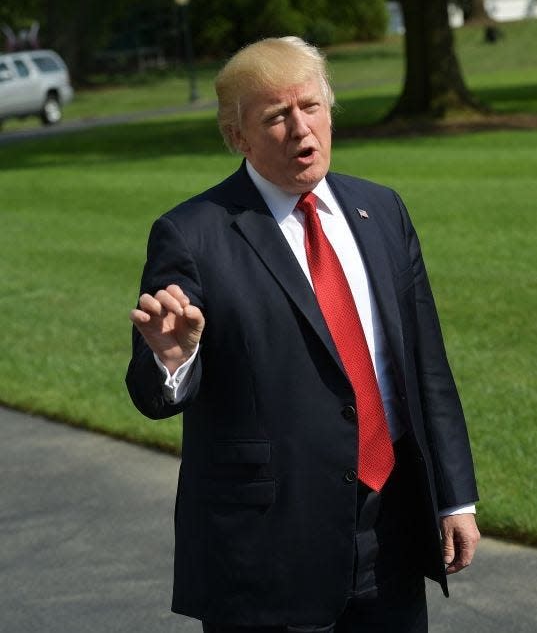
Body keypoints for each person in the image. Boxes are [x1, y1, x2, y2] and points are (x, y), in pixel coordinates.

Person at [126, 36, 480, 632]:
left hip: (390, 526)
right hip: (269, 549)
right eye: (276, 117)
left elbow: (426, 365)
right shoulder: (192, 234)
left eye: (311, 107)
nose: (301, 129)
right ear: (237, 136)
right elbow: (152, 391)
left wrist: (455, 497)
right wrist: (174, 361)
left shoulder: (382, 210)